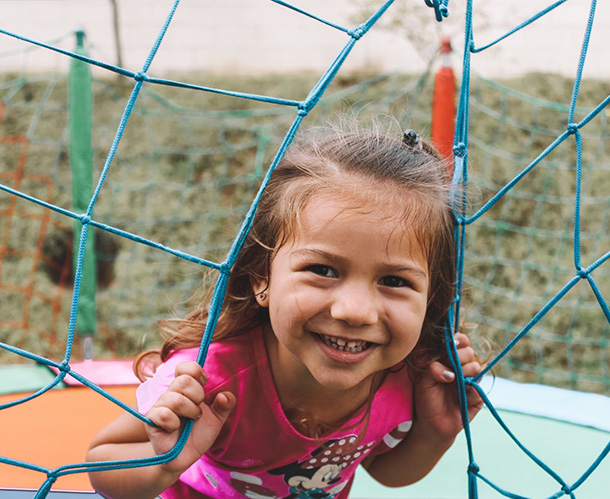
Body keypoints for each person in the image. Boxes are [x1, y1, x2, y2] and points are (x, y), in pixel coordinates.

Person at [86, 121, 484, 499]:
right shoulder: (210, 379)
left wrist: (435, 432)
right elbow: (101, 465)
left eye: (394, 281)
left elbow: (385, 471)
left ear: (431, 297)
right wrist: (163, 462)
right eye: (322, 270)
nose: (355, 312)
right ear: (262, 277)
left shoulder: (408, 375)